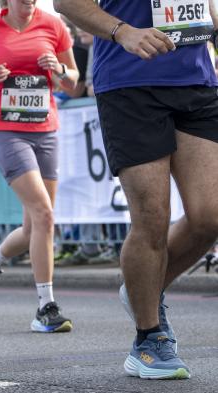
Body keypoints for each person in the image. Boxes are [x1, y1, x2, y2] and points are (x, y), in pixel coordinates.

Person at [54, 0, 218, 380]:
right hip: (130, 83)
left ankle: (143, 287)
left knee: (210, 216)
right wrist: (122, 31)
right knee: (151, 215)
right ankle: (148, 338)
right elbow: (64, 2)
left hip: (197, 80)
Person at [0, 0, 79, 332]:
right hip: (5, 130)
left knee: (33, 226)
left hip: (45, 129)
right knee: (45, 215)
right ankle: (45, 307)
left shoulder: (53, 25)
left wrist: (60, 69)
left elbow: (73, 82)